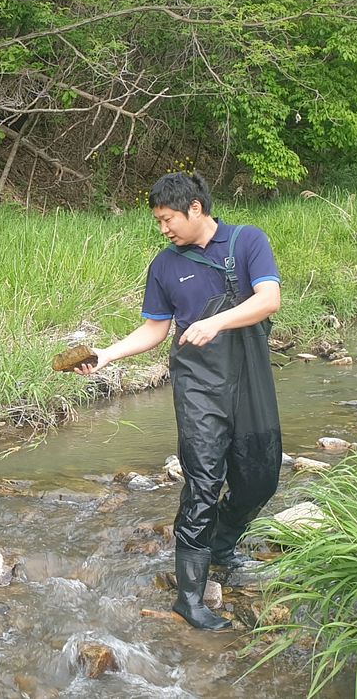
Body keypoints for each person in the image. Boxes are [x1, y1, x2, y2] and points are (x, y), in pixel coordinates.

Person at [77, 172, 282, 631]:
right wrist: (106, 354)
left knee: (261, 479)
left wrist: (217, 323)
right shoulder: (165, 265)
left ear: (194, 207)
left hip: (251, 379)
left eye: (167, 219)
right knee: (204, 481)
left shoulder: (247, 241)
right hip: (197, 384)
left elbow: (269, 300)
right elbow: (155, 328)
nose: (163, 228)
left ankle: (224, 545)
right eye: (158, 221)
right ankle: (189, 598)